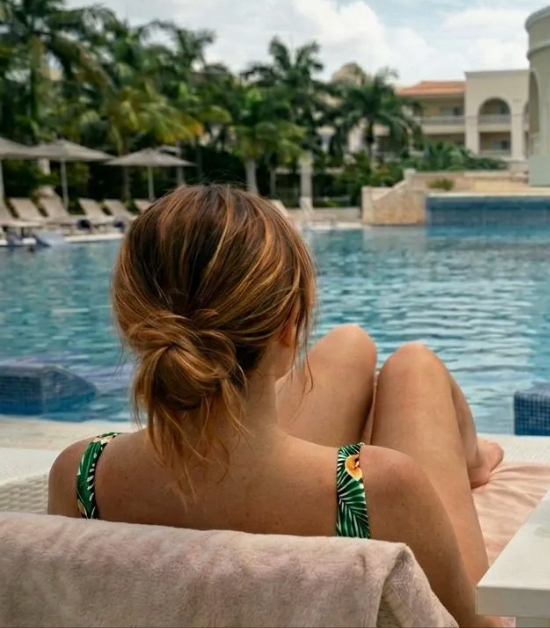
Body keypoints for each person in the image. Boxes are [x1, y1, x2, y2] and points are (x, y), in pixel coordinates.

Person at [45, 186, 504, 628]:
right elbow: (475, 626)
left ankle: (472, 456)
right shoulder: (378, 490)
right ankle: (473, 460)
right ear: (289, 328)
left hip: (259, 477)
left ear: (130, 323)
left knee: (349, 343)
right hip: (327, 497)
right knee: (415, 365)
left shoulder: (80, 475)